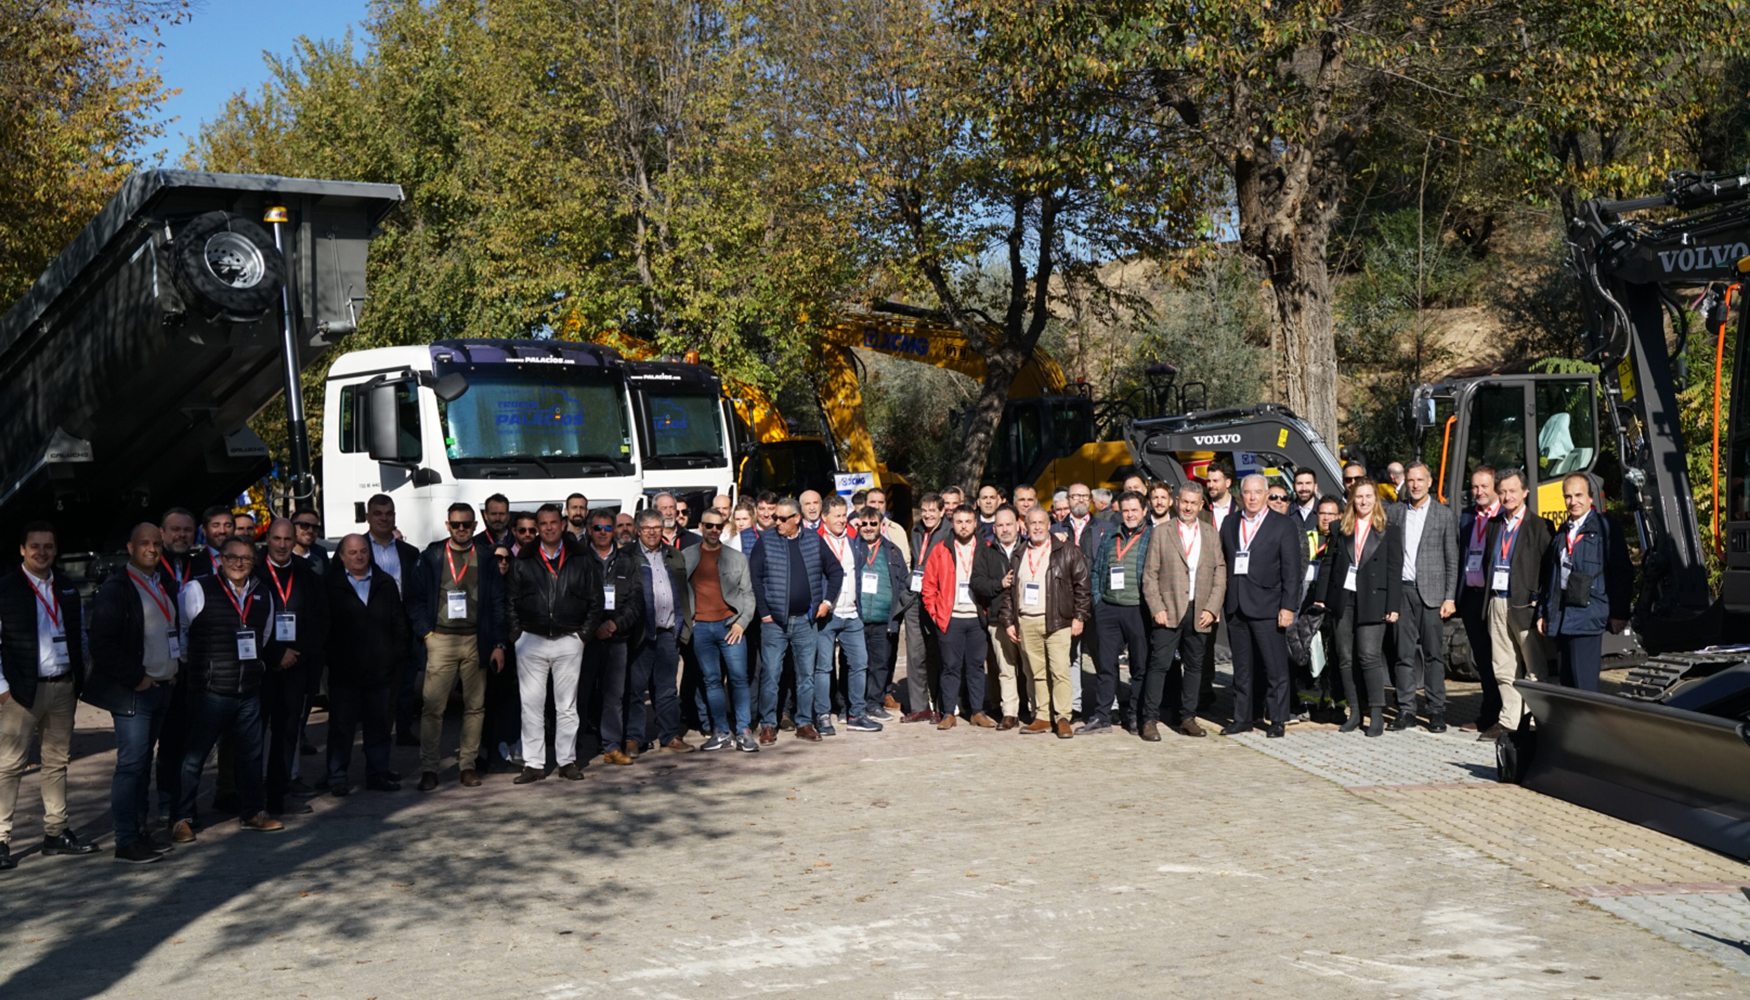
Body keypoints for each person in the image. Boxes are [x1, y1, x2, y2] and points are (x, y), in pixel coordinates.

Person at [0, 520, 101, 870]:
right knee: (9, 766)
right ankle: (0, 839)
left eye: (48, 546)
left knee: (56, 763)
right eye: (35, 546)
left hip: (62, 687)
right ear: (22, 550)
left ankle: (56, 832)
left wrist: (78, 678)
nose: (41, 552)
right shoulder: (6, 589)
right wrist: (1, 688)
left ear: (55, 551)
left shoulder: (68, 588)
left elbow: (80, 638)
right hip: (20, 692)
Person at [171, 537, 282, 840]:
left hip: (248, 689)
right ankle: (181, 817)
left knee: (250, 756)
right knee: (194, 757)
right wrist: (195, 666)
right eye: (232, 557)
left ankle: (252, 813)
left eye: (246, 558)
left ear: (253, 561)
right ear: (220, 559)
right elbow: (181, 631)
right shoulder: (197, 589)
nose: (238, 563)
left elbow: (265, 635)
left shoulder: (263, 593)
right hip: (210, 690)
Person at [86, 523, 182, 862]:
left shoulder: (162, 583)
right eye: (145, 544)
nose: (153, 550)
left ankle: (140, 833)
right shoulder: (118, 588)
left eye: (157, 544)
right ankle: (126, 841)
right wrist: (137, 678)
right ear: (130, 547)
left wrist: (172, 671)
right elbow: (102, 643)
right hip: (134, 692)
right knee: (130, 766)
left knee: (143, 765)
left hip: (161, 687)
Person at [412, 502, 506, 790]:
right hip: (440, 639)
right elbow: (414, 600)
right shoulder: (432, 555)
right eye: (456, 524)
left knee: (475, 708)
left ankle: (467, 765)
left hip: (476, 641)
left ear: (476, 526)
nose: (461, 529)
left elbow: (498, 603)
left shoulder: (487, 557)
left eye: (467, 524)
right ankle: (429, 768)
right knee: (432, 708)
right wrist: (427, 635)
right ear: (447, 525)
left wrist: (498, 643)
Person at [508, 504, 605, 781]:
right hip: (531, 640)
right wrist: (517, 637)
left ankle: (567, 761)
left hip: (568, 640)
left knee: (566, 707)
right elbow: (511, 601)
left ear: (562, 524)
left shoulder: (581, 558)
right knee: (531, 706)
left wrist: (582, 636)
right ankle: (534, 764)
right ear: (537, 527)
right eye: (543, 523)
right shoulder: (524, 559)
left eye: (553, 522)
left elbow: (595, 601)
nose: (549, 528)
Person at [1312, 481, 1402, 737]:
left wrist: (1393, 605)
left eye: (1368, 497)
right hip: (1344, 599)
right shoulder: (1341, 528)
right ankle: (1354, 711)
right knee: (1345, 657)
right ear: (1351, 501)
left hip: (1374, 600)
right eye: (1358, 497)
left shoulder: (1389, 530)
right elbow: (1328, 564)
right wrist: (1322, 597)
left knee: (1369, 656)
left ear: (1376, 500)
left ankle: (1375, 713)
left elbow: (1394, 570)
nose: (1363, 501)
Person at [749, 498, 841, 743]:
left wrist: (827, 602)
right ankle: (768, 724)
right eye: (775, 517)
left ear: (797, 518)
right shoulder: (766, 541)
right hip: (774, 623)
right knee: (771, 674)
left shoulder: (813, 540)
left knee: (806, 676)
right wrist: (765, 613)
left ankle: (804, 723)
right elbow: (755, 578)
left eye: (782, 518)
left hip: (805, 622)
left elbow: (835, 570)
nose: (776, 522)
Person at [1138, 483, 1226, 740]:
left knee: (1195, 667)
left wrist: (1212, 606)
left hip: (1199, 611)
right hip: (1168, 611)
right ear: (1177, 502)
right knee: (1159, 666)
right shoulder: (1162, 532)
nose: (1188, 507)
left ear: (1201, 505)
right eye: (1184, 502)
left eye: (1193, 503)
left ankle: (1188, 717)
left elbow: (1220, 572)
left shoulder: (1210, 534)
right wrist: (1157, 607)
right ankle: (1150, 719)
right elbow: (1149, 575)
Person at [1220, 474, 1304, 738]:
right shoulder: (1230, 522)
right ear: (1240, 494)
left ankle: (1278, 718)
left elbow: (1292, 570)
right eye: (1247, 492)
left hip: (1269, 605)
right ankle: (1243, 716)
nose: (1253, 497)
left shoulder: (1283, 525)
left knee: (1274, 666)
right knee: (1242, 668)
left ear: (1266, 495)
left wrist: (1288, 606)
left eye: (1258, 492)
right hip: (1236, 605)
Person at [324, 534, 409, 795]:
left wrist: (394, 655)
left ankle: (378, 774)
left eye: (363, 551)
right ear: (341, 556)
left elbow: (399, 623)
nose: (359, 556)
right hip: (344, 672)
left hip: (380, 670)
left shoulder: (385, 582)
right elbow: (323, 627)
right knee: (341, 727)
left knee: (379, 727)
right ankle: (337, 776)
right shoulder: (329, 585)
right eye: (352, 553)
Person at [257, 518, 330, 815]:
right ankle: (249, 798)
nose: (283, 545)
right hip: (261, 667)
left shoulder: (307, 575)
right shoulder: (254, 573)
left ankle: (280, 795)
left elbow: (320, 621)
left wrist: (297, 653)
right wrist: (275, 653)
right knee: (253, 733)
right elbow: (246, 620)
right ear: (268, 540)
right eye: (277, 539)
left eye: (288, 539)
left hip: (296, 665)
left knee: (287, 733)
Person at [1537, 473, 1632, 693]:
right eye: (1568, 496)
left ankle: (1590, 727)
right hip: (1562, 617)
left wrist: (1619, 613)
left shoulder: (1605, 528)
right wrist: (1544, 611)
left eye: (1578, 495)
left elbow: (1621, 571)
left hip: (1588, 615)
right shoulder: (1562, 532)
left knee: (1585, 687)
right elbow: (1551, 577)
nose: (1573, 501)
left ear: (1591, 497)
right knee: (1568, 685)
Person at [1002, 507, 1089, 738]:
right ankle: (1042, 716)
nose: (1038, 527)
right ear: (1026, 527)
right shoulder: (1019, 553)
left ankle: (1062, 717)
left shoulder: (1066, 550)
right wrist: (1010, 620)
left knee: (1060, 670)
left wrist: (1079, 616)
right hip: (1027, 621)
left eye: (1042, 522)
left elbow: (1082, 585)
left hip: (1057, 621)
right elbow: (1010, 591)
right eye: (1033, 523)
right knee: (1036, 672)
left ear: (1049, 525)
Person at [1479, 470, 1553, 741]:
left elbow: (1549, 570)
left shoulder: (1540, 526)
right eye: (1503, 491)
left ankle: (1538, 719)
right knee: (1503, 665)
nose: (1507, 496)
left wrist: (1541, 602)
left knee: (1534, 667)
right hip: (1498, 601)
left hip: (1526, 604)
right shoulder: (1495, 524)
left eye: (1512, 491)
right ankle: (1510, 720)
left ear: (1525, 492)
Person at [1387, 462, 1458, 732]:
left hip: (1432, 594)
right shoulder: (1394, 512)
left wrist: (1449, 597)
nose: (1415, 485)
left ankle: (1436, 710)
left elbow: (1452, 559)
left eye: (1420, 480)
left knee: (1433, 656)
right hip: (1402, 592)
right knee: (1403, 654)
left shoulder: (1444, 515)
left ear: (1430, 482)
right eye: (1411, 480)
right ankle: (1406, 710)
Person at [921, 507, 1005, 729]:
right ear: (952, 523)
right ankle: (948, 712)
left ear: (975, 523)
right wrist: (936, 613)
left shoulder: (986, 549)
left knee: (977, 666)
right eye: (959, 521)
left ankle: (977, 711)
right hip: (951, 618)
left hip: (977, 617)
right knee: (950, 666)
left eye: (968, 521)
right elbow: (928, 586)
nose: (964, 526)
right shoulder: (940, 550)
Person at [683, 508, 757, 751]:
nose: (713, 530)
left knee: (738, 679)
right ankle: (721, 732)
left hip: (730, 627)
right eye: (709, 525)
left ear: (724, 527)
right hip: (701, 628)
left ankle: (744, 731)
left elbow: (748, 594)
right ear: (701, 527)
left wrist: (741, 623)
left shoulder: (737, 558)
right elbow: (679, 593)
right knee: (711, 681)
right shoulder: (686, 556)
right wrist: (689, 621)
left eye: (718, 526)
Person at [811, 496, 880, 735]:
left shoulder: (854, 540)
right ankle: (822, 715)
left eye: (844, 515)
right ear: (824, 518)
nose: (842, 520)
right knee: (823, 668)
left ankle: (857, 714)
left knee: (859, 663)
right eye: (837, 516)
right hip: (826, 615)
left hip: (852, 614)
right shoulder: (815, 541)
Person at [628, 510, 693, 754]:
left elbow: (685, 590)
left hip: (668, 631)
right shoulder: (628, 556)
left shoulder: (673, 555)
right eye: (647, 528)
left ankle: (670, 736)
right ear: (638, 530)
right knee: (635, 688)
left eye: (657, 527)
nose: (653, 531)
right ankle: (633, 738)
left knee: (667, 689)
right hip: (641, 634)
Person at [581, 509, 642, 765]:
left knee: (614, 695)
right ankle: (572, 750)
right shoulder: (580, 559)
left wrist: (615, 625)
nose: (604, 533)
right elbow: (574, 598)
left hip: (617, 638)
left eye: (608, 528)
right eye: (598, 528)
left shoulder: (628, 561)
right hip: (586, 638)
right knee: (579, 693)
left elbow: (636, 601)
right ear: (589, 530)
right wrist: (594, 626)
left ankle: (611, 747)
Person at [1087, 492, 1151, 733]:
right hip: (1109, 609)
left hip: (1138, 609)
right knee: (1105, 665)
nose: (1130, 514)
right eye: (1126, 511)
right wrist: (1097, 601)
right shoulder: (1109, 536)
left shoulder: (1152, 537)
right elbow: (1096, 571)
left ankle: (1135, 715)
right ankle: (1102, 715)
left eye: (1135, 510)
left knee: (1139, 666)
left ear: (1144, 511)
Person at [365, 493, 426, 745]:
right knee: (375, 686)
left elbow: (417, 590)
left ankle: (403, 730)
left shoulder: (409, 552)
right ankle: (376, 735)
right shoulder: (357, 548)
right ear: (368, 517)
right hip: (370, 627)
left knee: (405, 681)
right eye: (378, 514)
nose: (384, 518)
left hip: (404, 624)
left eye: (389, 513)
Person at [852, 505, 910, 724]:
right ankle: (854, 704)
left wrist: (897, 610)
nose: (868, 528)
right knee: (856, 664)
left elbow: (904, 582)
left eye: (872, 523)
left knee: (880, 664)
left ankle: (874, 704)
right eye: (863, 524)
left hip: (883, 619)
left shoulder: (893, 550)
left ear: (880, 525)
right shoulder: (852, 547)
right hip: (857, 618)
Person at [1455, 467, 1502, 734]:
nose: (1479, 492)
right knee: (1483, 660)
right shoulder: (1467, 517)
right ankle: (1488, 714)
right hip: (1472, 597)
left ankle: (1507, 714)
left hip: (1494, 596)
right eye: (1474, 487)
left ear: (1495, 487)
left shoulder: (1504, 515)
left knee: (1502, 659)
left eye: (1484, 487)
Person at [901, 493, 950, 723]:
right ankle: (920, 707)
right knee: (915, 655)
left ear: (942, 511)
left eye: (933, 510)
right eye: (924, 510)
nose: (928, 514)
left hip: (939, 599)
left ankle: (942, 706)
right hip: (915, 598)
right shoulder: (916, 530)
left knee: (939, 653)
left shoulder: (949, 532)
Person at [984, 505, 1025, 727]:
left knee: (1031, 668)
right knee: (1005, 669)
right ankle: (1010, 713)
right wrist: (998, 584)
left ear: (1018, 525)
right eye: (1000, 525)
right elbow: (977, 581)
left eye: (1009, 524)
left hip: (1027, 617)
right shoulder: (987, 551)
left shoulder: (1030, 548)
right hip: (998, 618)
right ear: (994, 527)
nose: (1005, 529)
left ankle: (1038, 711)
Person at [865, 487, 911, 560]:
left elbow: (906, 560)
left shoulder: (897, 530)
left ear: (886, 504)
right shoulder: (856, 528)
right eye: (873, 502)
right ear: (865, 504)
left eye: (881, 502)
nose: (877, 507)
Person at [193, 505, 233, 577]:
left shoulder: (247, 560)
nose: (222, 531)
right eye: (216, 525)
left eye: (228, 525)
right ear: (204, 531)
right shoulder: (193, 564)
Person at [290, 509, 329, 577]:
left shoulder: (320, 554)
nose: (310, 531)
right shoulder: (282, 553)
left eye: (315, 527)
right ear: (291, 527)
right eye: (304, 525)